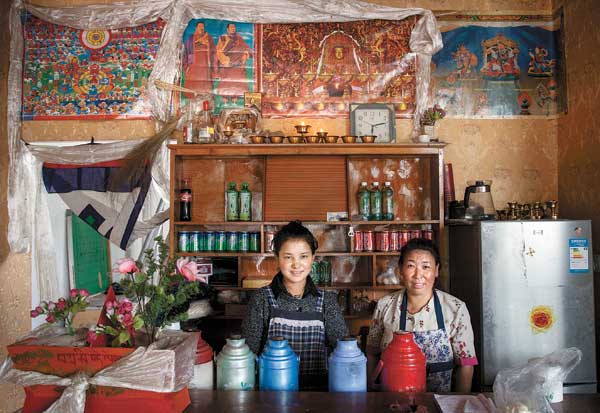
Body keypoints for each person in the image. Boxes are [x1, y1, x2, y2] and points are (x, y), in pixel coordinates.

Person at [241, 220, 348, 390]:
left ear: (313, 258)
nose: (296, 264)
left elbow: (344, 354)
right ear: (277, 258)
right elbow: (247, 356)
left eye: (303, 256)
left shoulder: (327, 301)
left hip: (319, 394)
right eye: (288, 257)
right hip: (272, 391)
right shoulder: (261, 299)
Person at [366, 238, 477, 392]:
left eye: (426, 267)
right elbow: (372, 354)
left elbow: (466, 365)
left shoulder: (455, 308)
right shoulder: (385, 305)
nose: (418, 274)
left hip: (440, 402)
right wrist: (371, 395)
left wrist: (458, 402)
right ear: (400, 270)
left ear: (436, 270)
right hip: (392, 402)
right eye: (411, 266)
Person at [215, 23, 252, 104]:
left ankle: (235, 98)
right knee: (226, 82)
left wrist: (245, 54)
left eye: (234, 27)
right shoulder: (223, 38)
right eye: (231, 27)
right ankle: (225, 98)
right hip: (227, 63)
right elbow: (218, 51)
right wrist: (225, 60)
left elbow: (247, 48)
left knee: (238, 80)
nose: (233, 28)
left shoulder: (239, 38)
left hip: (238, 64)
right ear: (227, 29)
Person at [183, 21, 216, 94]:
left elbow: (214, 53)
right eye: (199, 26)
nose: (201, 28)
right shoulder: (191, 38)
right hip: (193, 66)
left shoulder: (209, 38)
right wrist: (186, 66)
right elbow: (185, 52)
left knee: (205, 87)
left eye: (202, 27)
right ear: (196, 28)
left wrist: (214, 69)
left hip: (205, 66)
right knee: (192, 86)